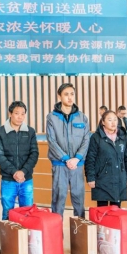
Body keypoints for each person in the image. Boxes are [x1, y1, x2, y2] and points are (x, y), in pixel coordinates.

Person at [46, 83, 91, 218]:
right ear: (59, 96)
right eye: (66, 94)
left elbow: (86, 140)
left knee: (79, 199)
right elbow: (51, 141)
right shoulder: (52, 117)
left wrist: (77, 158)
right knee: (58, 199)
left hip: (77, 165)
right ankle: (56, 229)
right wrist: (66, 159)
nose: (70, 97)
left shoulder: (82, 117)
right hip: (60, 165)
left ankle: (80, 229)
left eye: (72, 94)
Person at [0, 101, 39, 220]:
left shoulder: (30, 132)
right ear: (10, 114)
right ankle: (8, 233)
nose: (20, 117)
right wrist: (14, 172)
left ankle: (25, 233)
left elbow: (34, 154)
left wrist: (23, 171)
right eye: (17, 113)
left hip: (26, 179)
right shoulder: (0, 132)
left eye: (23, 114)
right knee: (8, 213)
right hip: (8, 180)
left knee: (27, 213)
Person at [85, 111, 127, 208]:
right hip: (102, 179)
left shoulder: (122, 137)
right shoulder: (96, 137)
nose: (113, 122)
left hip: (119, 178)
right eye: (110, 120)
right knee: (102, 211)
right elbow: (90, 159)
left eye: (115, 120)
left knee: (115, 210)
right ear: (103, 122)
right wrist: (90, 178)